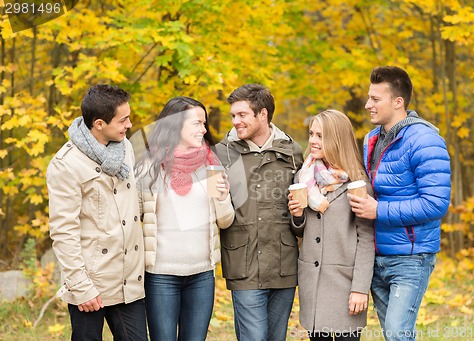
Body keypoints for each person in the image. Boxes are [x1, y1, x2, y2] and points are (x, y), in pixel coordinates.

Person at [349, 66, 451, 341]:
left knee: (396, 333)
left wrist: (378, 210)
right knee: (395, 334)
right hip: (377, 255)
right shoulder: (372, 139)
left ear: (398, 102)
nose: (368, 105)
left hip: (410, 257)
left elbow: (436, 204)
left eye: (375, 99)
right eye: (369, 98)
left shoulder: (426, 140)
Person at [46, 84, 148, 340]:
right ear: (99, 123)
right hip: (91, 282)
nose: (129, 124)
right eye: (123, 119)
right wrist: (81, 287)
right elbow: (64, 231)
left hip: (128, 278)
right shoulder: (66, 164)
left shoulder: (124, 147)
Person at [134, 96, 235, 341]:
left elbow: (225, 221)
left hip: (201, 275)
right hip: (160, 275)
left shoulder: (211, 165)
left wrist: (222, 197)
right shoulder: (148, 168)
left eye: (204, 123)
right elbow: (132, 217)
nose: (203, 129)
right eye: (197, 123)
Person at [214, 83, 304, 341]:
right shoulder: (221, 153)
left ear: (262, 114)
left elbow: (300, 215)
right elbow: (214, 211)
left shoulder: (293, 152)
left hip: (283, 265)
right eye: (233, 116)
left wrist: (299, 216)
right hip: (243, 264)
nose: (235, 121)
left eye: (241, 115)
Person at [288, 110, 375, 341]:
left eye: (321, 136)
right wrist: (297, 217)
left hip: (346, 285)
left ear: (337, 139)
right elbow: (300, 231)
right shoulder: (303, 178)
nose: (313, 141)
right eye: (312, 134)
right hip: (314, 283)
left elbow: (366, 239)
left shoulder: (358, 183)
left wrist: (360, 288)